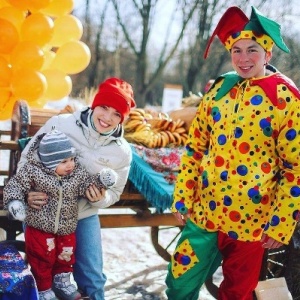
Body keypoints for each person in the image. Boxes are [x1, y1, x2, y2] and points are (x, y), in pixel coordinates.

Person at [165, 6, 300, 300]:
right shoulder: (219, 90)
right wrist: (183, 194)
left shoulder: (284, 98)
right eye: (236, 50)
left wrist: (281, 222)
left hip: (252, 222)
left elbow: (295, 168)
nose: (243, 58)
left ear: (268, 54)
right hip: (205, 212)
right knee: (179, 284)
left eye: (252, 49)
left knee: (237, 293)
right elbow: (196, 147)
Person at [16, 77, 136, 300]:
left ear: (122, 119)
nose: (107, 118)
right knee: (45, 272)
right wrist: (27, 192)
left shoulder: (122, 152)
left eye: (117, 114)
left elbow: (115, 192)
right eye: (104, 107)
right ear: (94, 104)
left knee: (93, 278)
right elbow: (27, 160)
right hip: (43, 210)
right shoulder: (61, 124)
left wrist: (100, 198)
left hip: (82, 214)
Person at [4, 129, 117, 300]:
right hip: (40, 227)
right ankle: (43, 288)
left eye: (72, 159)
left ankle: (62, 282)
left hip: (66, 227)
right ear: (49, 162)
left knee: (65, 256)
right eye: (64, 161)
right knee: (42, 258)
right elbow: (15, 185)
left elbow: (87, 183)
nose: (70, 164)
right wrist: (16, 202)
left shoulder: (76, 174)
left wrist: (101, 180)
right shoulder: (34, 171)